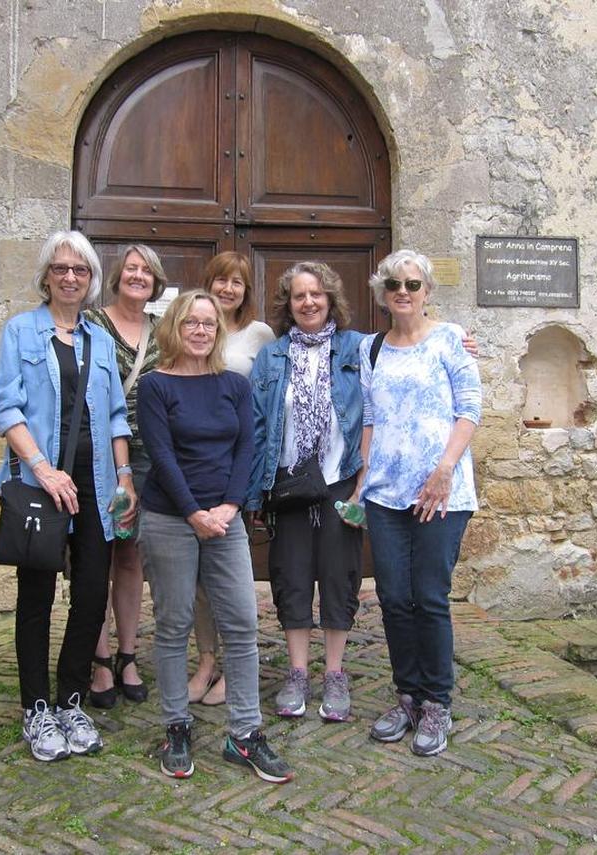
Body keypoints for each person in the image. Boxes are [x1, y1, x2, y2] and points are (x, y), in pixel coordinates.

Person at [136, 290, 293, 783]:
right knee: (173, 624)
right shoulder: (155, 385)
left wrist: (229, 505)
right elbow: (160, 455)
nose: (201, 331)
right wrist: (193, 512)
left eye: (208, 324)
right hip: (169, 518)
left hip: (225, 521)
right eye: (191, 323)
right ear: (174, 329)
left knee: (243, 624)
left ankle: (244, 734)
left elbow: (246, 446)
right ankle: (176, 726)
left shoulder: (233, 385)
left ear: (218, 331)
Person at [0, 230, 136, 761]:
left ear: (91, 279)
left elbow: (117, 412)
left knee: (91, 594)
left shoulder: (98, 341)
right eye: (61, 269)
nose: (70, 277)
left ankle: (71, 701)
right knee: (36, 600)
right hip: (40, 487)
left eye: (80, 270)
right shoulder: (21, 332)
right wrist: (43, 469)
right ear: (46, 276)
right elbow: (7, 409)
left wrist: (124, 478)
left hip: (96, 489)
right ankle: (36, 710)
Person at [357, 249, 482, 757]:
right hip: (386, 494)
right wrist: (363, 480)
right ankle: (407, 694)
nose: (402, 292)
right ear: (382, 295)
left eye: (412, 284)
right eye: (393, 285)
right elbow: (368, 416)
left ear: (427, 291)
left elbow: (469, 408)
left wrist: (444, 469)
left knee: (429, 598)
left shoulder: (451, 339)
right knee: (393, 598)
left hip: (443, 493)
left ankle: (437, 702)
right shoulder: (371, 348)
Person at [246, 261, 367, 723]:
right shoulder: (271, 357)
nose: (309, 302)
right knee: (291, 577)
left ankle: (334, 673)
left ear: (331, 298)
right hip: (289, 482)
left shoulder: (356, 348)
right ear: (288, 305)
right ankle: (297, 672)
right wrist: (256, 495)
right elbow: (259, 427)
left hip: (339, 479)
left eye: (316, 294)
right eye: (299, 296)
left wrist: (456, 336)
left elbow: (406, 347)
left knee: (339, 577)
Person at [187, 252, 276, 708]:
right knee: (199, 579)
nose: (227, 289)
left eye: (236, 283)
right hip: (193, 467)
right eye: (220, 279)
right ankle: (206, 660)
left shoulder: (258, 335)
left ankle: (240, 664)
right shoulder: (190, 324)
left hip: (236, 467)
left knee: (233, 574)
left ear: (245, 290)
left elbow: (273, 395)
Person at [84, 245, 166, 706]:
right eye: (132, 269)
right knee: (97, 558)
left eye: (147, 271)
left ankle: (128, 655)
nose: (138, 276)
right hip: (98, 455)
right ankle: (98, 659)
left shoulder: (161, 330)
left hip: (148, 459)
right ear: (118, 276)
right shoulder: (94, 324)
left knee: (131, 558)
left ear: (156, 282)